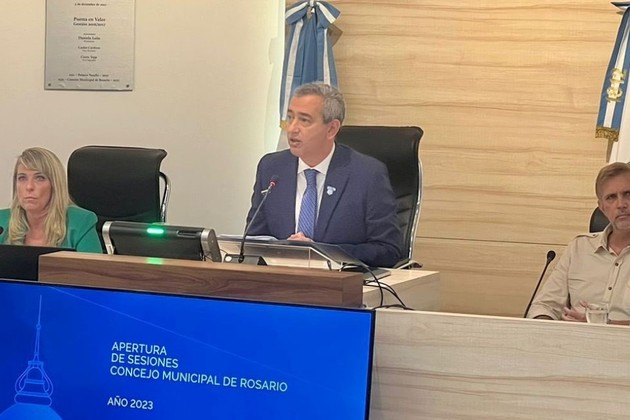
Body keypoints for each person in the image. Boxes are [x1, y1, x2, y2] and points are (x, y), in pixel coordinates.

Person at [245, 83, 402, 267]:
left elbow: (388, 250)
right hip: (281, 279)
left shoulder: (367, 174)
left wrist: (320, 252)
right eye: (290, 117)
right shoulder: (272, 168)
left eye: (304, 120)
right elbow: (254, 241)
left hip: (341, 280)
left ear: (331, 129)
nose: (292, 128)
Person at [526, 161, 630, 324]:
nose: (621, 204)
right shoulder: (579, 248)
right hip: (571, 339)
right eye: (611, 197)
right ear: (602, 207)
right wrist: (545, 326)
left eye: (628, 194)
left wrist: (601, 324)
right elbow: (545, 306)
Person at [0, 147, 102, 253]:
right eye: (22, 178)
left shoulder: (80, 222)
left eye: (40, 178)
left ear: (55, 185)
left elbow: (94, 264)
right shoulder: (2, 222)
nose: (29, 186)